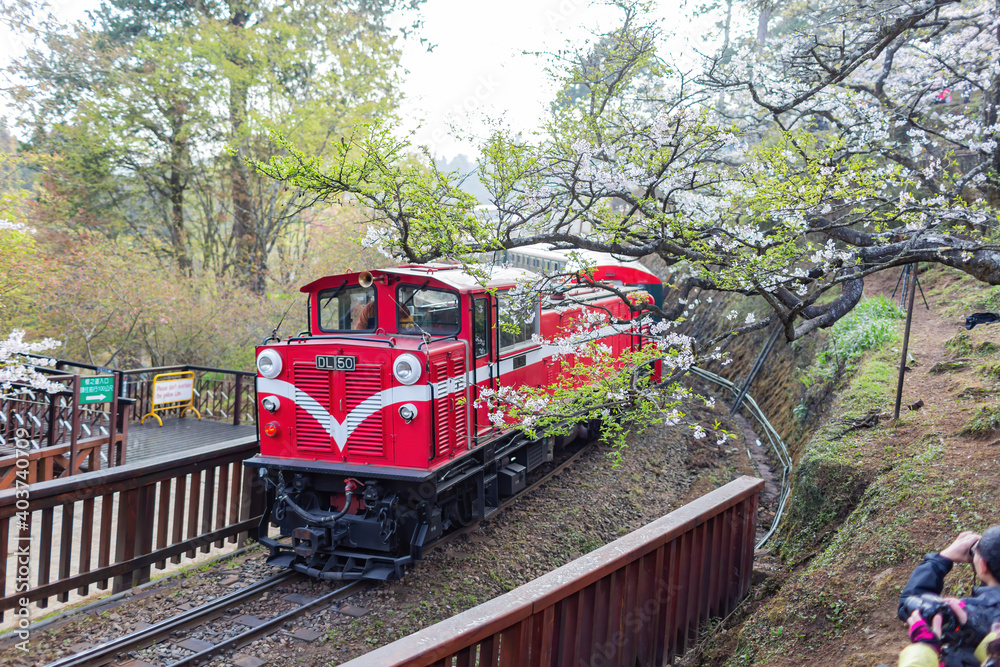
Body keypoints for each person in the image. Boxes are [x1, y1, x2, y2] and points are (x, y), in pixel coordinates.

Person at [897, 528, 1000, 666]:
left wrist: (940, 560)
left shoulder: (966, 612)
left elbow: (909, 604)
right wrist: (982, 638)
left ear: (982, 566)